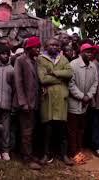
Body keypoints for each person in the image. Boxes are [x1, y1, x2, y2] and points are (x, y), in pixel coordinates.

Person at [37, 38, 74, 166]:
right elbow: (43, 79)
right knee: (47, 130)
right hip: (48, 98)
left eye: (56, 45)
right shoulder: (41, 59)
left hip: (61, 98)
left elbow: (69, 73)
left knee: (62, 130)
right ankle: (46, 155)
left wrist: (54, 72)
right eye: (51, 44)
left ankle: (64, 155)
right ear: (46, 46)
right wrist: (60, 79)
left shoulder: (63, 59)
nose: (54, 47)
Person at [13, 36, 41, 170]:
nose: (38, 50)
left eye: (39, 47)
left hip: (34, 102)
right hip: (25, 103)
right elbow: (18, 82)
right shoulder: (20, 60)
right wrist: (23, 102)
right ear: (29, 48)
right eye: (36, 48)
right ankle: (27, 158)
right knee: (26, 131)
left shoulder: (34, 61)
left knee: (31, 130)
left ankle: (28, 154)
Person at [67, 43, 98, 164]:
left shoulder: (92, 66)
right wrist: (81, 96)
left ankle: (79, 150)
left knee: (81, 128)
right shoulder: (73, 65)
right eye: (87, 52)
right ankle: (73, 152)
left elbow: (95, 83)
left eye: (91, 52)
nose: (90, 54)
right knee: (72, 129)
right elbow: (70, 84)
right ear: (81, 52)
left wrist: (89, 96)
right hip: (74, 102)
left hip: (86, 103)